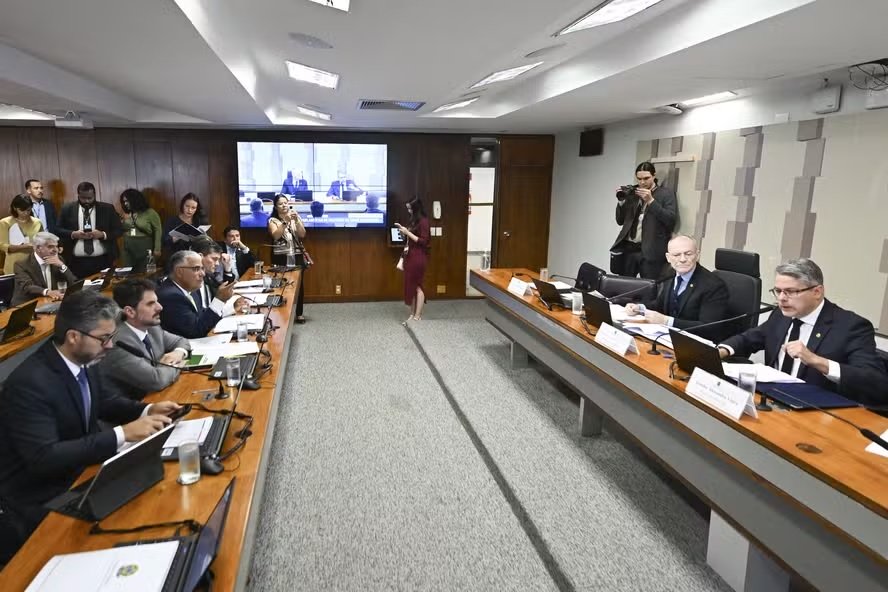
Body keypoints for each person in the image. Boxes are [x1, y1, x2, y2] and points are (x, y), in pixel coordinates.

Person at [0, 290, 179, 564]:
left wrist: (146, 409)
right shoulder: (30, 384)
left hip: (83, 471)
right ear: (74, 336)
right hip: (41, 497)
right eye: (104, 338)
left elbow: (104, 402)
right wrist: (122, 434)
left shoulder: (84, 358)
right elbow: (44, 457)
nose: (110, 345)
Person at [718, 258, 888, 405]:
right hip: (772, 401)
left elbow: (876, 381)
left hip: (816, 410)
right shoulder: (781, 314)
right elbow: (750, 338)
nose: (781, 298)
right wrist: (721, 351)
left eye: (791, 291)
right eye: (778, 291)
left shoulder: (851, 327)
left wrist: (817, 361)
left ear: (817, 292)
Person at [624, 235, 731, 340]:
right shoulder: (669, 274)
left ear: (697, 255)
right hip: (667, 338)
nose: (682, 259)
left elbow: (709, 328)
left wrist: (667, 321)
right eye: (676, 255)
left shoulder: (713, 285)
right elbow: (660, 305)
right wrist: (640, 308)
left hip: (695, 343)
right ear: (668, 258)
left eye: (688, 254)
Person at [98, 278, 190, 400]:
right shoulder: (118, 343)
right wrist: (180, 363)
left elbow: (181, 341)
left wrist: (178, 353)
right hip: (135, 406)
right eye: (150, 304)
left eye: (157, 301)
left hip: (160, 396)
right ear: (130, 311)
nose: (160, 307)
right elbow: (157, 380)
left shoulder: (152, 327)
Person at [610, 162, 677, 279]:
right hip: (629, 248)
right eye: (639, 179)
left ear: (654, 176)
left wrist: (651, 201)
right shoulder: (633, 193)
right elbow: (620, 221)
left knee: (648, 285)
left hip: (651, 250)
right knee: (624, 284)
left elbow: (670, 220)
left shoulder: (665, 194)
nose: (642, 182)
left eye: (646, 178)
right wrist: (621, 202)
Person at [156, 250, 235, 338]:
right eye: (196, 269)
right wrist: (219, 300)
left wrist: (232, 307)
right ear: (179, 272)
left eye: (202, 268)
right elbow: (196, 331)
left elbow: (202, 316)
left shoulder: (190, 289)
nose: (203, 274)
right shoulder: (171, 296)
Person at [56, 181, 122, 278]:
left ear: (94, 195)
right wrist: (73, 234)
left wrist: (102, 234)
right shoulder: (67, 208)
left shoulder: (107, 208)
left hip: (103, 260)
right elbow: (57, 229)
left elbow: (119, 230)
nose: (87, 201)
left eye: (90, 198)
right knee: (79, 286)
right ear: (78, 195)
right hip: (76, 262)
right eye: (83, 198)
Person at [267, 194, 306, 323]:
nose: (284, 205)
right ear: (275, 207)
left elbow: (302, 234)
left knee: (299, 284)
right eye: (280, 204)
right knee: (281, 284)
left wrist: (296, 220)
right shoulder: (272, 220)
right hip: (281, 257)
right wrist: (285, 222)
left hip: (296, 255)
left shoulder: (295, 217)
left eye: (285, 203)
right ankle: (282, 313)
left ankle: (299, 313)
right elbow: (275, 236)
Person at [11, 232, 78, 306]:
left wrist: (62, 266)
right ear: (38, 248)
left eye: (56, 246)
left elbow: (73, 282)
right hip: (28, 305)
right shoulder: (22, 264)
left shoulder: (58, 260)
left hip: (51, 302)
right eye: (50, 247)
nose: (55, 250)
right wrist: (48, 292)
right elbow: (27, 286)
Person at [394, 197, 430, 323]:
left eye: (410, 208)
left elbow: (424, 241)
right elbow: (411, 239)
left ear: (416, 208)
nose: (409, 211)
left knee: (417, 286)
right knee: (411, 286)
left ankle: (417, 316)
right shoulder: (414, 220)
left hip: (418, 257)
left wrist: (407, 232)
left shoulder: (424, 221)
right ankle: (412, 314)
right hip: (410, 255)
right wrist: (404, 233)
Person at [190, 237, 242, 316]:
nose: (217, 264)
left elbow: (224, 292)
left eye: (218, 260)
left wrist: (227, 268)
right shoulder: (189, 283)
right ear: (200, 257)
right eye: (214, 259)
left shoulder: (208, 276)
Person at [119, 188, 162, 271]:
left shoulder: (150, 212)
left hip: (145, 248)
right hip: (128, 249)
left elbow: (158, 230)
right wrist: (122, 221)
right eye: (124, 201)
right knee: (128, 273)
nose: (125, 204)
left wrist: (157, 249)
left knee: (145, 273)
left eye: (127, 201)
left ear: (135, 199)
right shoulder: (126, 214)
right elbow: (123, 229)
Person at [0, 194, 42, 274]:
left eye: (28, 210)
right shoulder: (5, 223)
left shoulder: (37, 222)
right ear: (15, 208)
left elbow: (42, 241)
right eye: (22, 210)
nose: (26, 213)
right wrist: (24, 246)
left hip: (33, 264)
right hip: (13, 264)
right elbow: (2, 245)